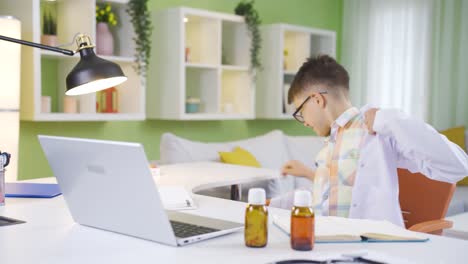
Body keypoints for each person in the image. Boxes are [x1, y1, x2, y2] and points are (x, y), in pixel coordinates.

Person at [269, 55, 468, 226]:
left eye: (300, 112)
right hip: (324, 247)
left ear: (317, 100)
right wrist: (273, 204)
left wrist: (390, 120)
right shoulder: (330, 144)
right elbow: (325, 196)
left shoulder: (376, 129)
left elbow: (459, 166)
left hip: (364, 249)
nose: (303, 122)